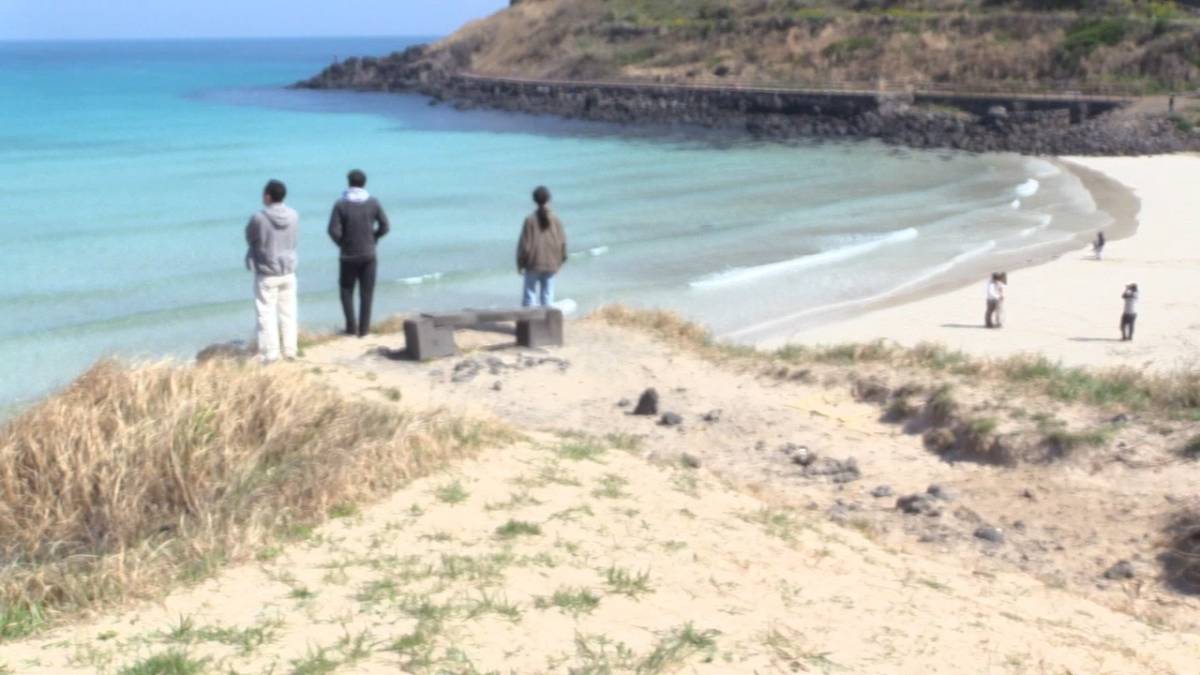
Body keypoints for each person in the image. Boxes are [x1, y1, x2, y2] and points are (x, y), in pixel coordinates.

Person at [328, 169, 390, 337]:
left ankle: (351, 327)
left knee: (346, 291)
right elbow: (385, 226)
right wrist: (374, 237)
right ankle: (364, 330)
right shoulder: (373, 203)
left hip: (348, 255)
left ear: (349, 183)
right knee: (367, 293)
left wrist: (342, 243)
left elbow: (332, 230)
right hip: (369, 254)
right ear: (364, 183)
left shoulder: (341, 204)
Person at [245, 179, 299, 363]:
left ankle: (270, 353)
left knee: (266, 314)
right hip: (288, 270)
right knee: (288, 312)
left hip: (267, 272)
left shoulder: (259, 218)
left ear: (268, 196)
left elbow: (250, 237)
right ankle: (290, 351)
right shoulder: (294, 215)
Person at [516, 186, 568, 307]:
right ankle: (547, 319)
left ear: (534, 200)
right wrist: (560, 262)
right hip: (551, 264)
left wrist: (520, 264)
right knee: (547, 299)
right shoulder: (556, 219)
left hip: (533, 264)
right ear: (549, 199)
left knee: (529, 298)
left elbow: (525, 245)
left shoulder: (529, 220)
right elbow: (563, 243)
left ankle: (530, 320)